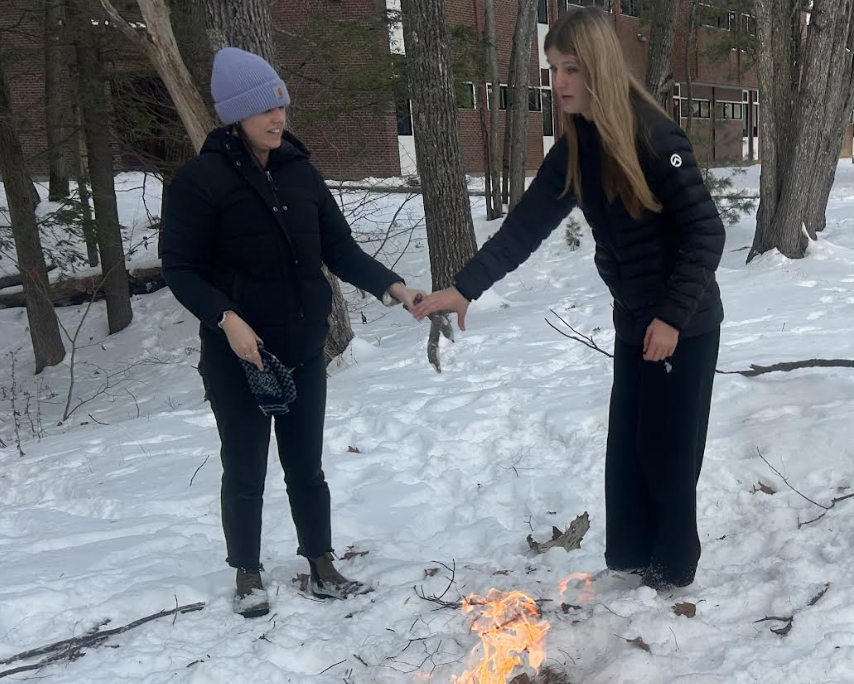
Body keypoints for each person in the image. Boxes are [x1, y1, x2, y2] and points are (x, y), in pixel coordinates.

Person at [413, 7, 725, 591]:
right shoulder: (578, 145)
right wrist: (464, 285)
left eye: (571, 69)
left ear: (600, 68)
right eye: (554, 69)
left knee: (668, 453)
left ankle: (671, 575)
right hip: (636, 321)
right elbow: (525, 226)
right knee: (629, 448)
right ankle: (635, 562)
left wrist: (671, 318)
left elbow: (707, 233)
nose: (559, 83)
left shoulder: (656, 137)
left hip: (684, 323)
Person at [162, 47, 424, 616]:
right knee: (246, 465)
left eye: (282, 107)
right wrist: (226, 319)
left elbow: (338, 247)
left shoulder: (299, 171)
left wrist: (395, 288)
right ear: (236, 115)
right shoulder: (199, 181)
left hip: (304, 345)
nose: (279, 119)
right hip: (240, 355)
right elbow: (179, 268)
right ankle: (247, 574)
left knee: (306, 464)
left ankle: (322, 564)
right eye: (265, 111)